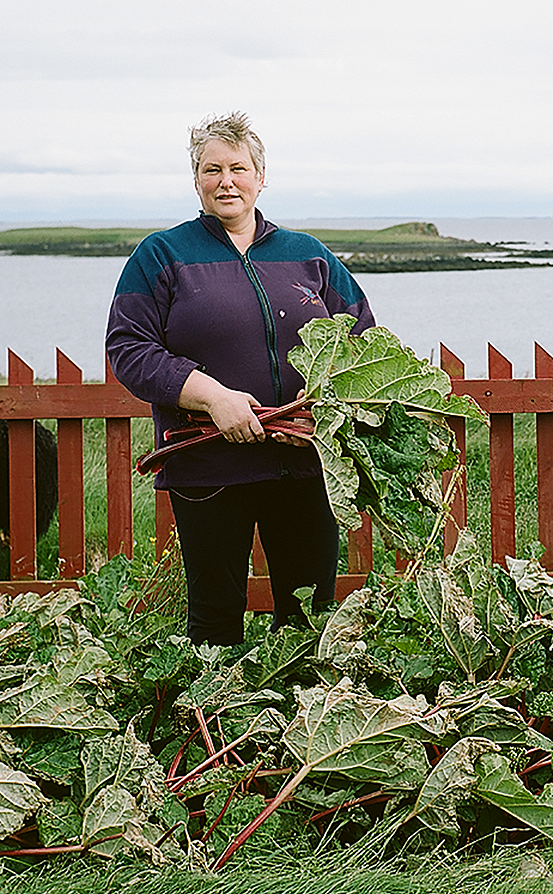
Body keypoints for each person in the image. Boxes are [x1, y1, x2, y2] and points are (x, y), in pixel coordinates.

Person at [106, 112, 374, 646]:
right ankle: (218, 721)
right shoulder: (162, 255)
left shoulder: (309, 256)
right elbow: (128, 349)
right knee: (215, 619)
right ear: (197, 180)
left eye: (238, 168)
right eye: (211, 170)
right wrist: (213, 398)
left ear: (261, 175)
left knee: (309, 620)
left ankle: (299, 726)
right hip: (209, 467)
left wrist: (328, 395)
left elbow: (364, 338)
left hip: (303, 463)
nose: (225, 181)